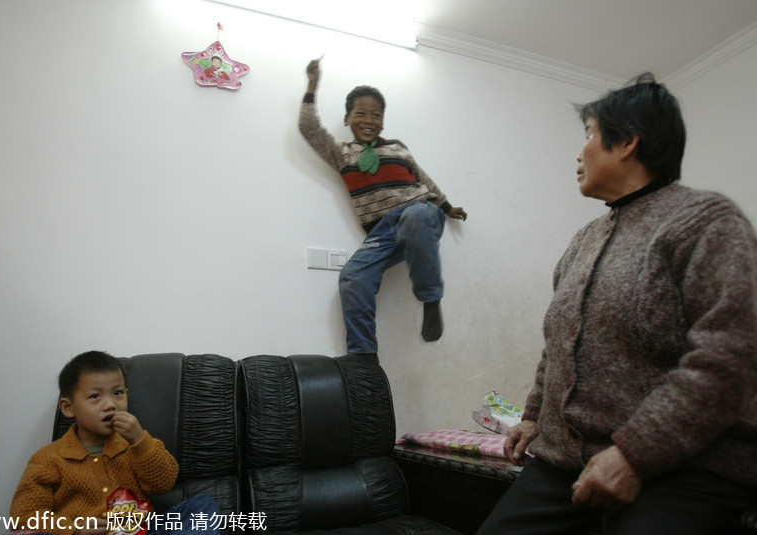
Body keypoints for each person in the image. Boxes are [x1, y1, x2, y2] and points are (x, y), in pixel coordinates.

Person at [477, 73, 757, 535]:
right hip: (566, 464)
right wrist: (533, 420)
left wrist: (634, 454)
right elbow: (558, 348)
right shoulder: (584, 241)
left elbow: (731, 356)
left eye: (588, 135)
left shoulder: (706, 222)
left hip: (682, 468)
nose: (579, 151)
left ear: (627, 141)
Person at [299, 58, 467, 358]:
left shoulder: (397, 147)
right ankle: (363, 358)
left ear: (383, 122)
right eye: (360, 113)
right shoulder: (341, 154)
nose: (369, 120)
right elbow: (308, 129)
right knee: (353, 277)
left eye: (376, 114)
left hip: (420, 213)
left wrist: (447, 205)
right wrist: (312, 85)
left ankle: (430, 300)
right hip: (382, 232)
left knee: (414, 215)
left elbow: (421, 177)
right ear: (348, 119)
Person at [10, 351, 221, 535]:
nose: (110, 404)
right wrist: (73, 528)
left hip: (139, 531)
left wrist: (140, 441)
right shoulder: (48, 459)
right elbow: (23, 517)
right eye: (95, 396)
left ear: (127, 396)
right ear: (68, 407)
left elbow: (164, 482)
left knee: (201, 507)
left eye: (118, 393)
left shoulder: (134, 444)